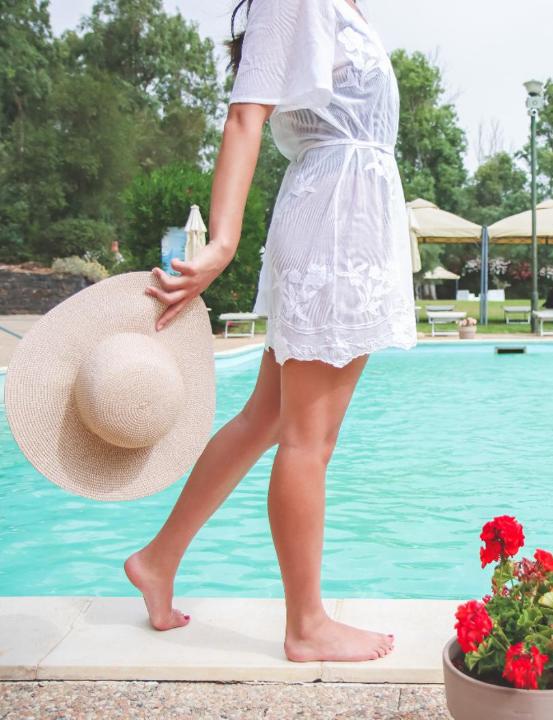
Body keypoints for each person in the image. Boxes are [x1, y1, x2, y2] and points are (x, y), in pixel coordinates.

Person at [124, 0, 415, 663]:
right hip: (332, 225)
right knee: (307, 438)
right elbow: (244, 115)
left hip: (348, 221)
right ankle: (307, 625)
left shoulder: (344, 8)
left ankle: (158, 559)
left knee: (266, 417)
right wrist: (221, 242)